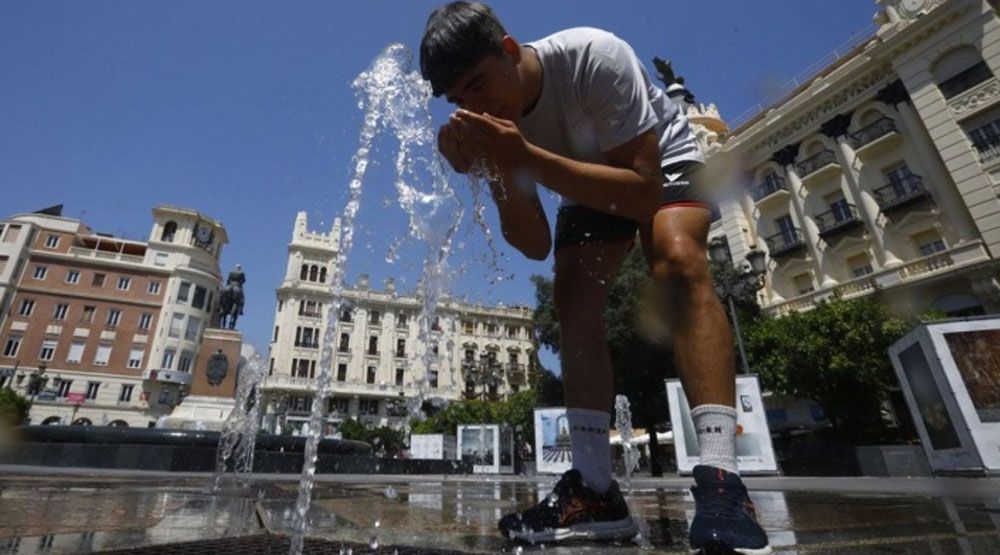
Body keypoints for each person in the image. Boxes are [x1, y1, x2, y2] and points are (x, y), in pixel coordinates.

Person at [419, 3, 770, 554]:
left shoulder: (592, 56)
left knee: (676, 258)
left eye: (480, 85)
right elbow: (533, 245)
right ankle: (595, 489)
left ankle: (723, 478)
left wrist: (523, 151)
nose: (476, 107)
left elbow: (642, 193)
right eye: (460, 101)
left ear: (510, 52)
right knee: (572, 297)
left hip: (652, 163)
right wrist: (498, 165)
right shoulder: (498, 125)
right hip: (586, 177)